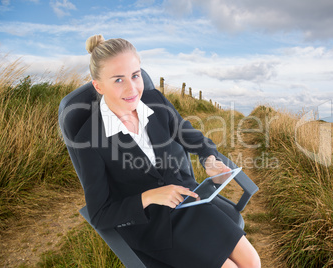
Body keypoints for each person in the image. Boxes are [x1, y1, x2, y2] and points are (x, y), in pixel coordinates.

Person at [75, 34, 261, 268]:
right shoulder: (89, 138)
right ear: (98, 86)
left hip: (188, 200)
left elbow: (190, 136)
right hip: (152, 224)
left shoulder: (154, 101)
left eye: (135, 75)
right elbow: (101, 214)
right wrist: (150, 196)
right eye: (118, 80)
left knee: (253, 262)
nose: (132, 88)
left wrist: (209, 159)